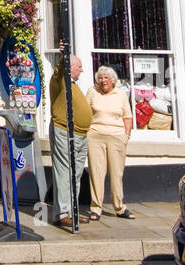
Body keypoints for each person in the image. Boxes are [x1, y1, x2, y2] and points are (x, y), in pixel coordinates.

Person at [85, 65, 134, 219]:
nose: (103, 80)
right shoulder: (92, 91)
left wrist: (126, 136)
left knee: (116, 173)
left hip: (116, 136)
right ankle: (96, 208)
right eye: (100, 78)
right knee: (96, 173)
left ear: (113, 80)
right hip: (95, 135)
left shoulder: (120, 94)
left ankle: (119, 207)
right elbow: (85, 113)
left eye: (106, 78)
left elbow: (127, 116)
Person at [49, 54, 91, 229]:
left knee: (76, 174)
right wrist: (64, 56)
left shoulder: (74, 86)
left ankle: (71, 210)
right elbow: (59, 72)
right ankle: (62, 213)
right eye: (79, 66)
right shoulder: (59, 83)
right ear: (70, 67)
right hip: (64, 131)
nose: (82, 70)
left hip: (81, 135)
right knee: (64, 173)